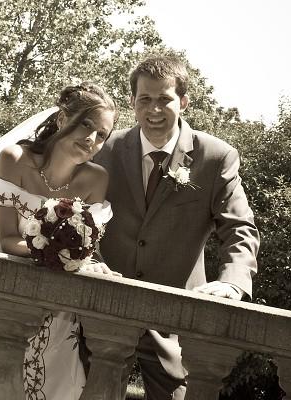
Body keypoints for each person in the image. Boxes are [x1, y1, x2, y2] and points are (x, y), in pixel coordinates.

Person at [0, 82, 119, 400]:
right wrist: (59, 256)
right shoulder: (14, 159)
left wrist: (83, 261)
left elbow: (87, 244)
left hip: (55, 306)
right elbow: (7, 238)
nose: (91, 139)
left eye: (101, 134)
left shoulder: (96, 179)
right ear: (62, 119)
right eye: (86, 125)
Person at [93, 55, 260, 399]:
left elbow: (239, 227)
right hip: (105, 310)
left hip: (175, 321)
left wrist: (232, 282)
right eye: (145, 99)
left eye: (164, 99)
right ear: (132, 101)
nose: (154, 109)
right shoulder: (105, 148)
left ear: (183, 101)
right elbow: (81, 212)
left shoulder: (216, 157)